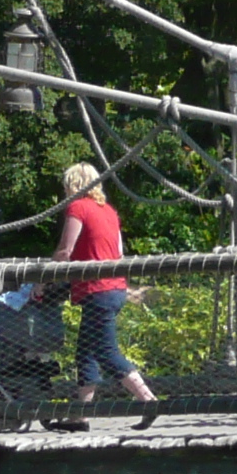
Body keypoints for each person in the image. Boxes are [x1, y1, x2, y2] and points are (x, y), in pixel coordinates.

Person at [58, 162, 160, 413]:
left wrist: (41, 280)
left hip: (97, 289)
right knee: (86, 352)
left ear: (73, 185)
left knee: (105, 351)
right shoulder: (109, 211)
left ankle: (149, 401)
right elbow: (119, 252)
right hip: (114, 288)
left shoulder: (77, 207)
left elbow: (65, 250)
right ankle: (80, 414)